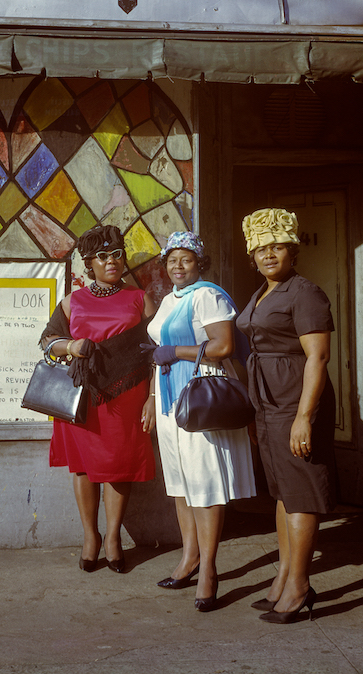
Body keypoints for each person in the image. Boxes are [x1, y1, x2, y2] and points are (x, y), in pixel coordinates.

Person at [143, 231, 256, 612]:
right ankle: (189, 557)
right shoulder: (168, 300)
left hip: (200, 398)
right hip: (168, 400)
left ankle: (209, 568)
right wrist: (150, 397)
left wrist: (175, 350)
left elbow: (222, 346)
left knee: (204, 485)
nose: (178, 265)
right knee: (180, 485)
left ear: (199, 264)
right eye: (172, 259)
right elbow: (156, 354)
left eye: (186, 259)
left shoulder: (208, 295)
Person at [236, 207, 337, 624]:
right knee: (280, 492)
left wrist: (304, 418)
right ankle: (283, 576)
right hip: (268, 403)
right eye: (261, 248)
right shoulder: (261, 293)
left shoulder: (304, 292)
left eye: (277, 246)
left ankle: (299, 586)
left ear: (292, 250)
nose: (268, 255)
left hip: (295, 401)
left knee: (300, 494)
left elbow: (319, 357)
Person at [41, 225, 156, 573]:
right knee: (83, 468)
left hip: (127, 397)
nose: (112, 262)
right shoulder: (71, 301)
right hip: (83, 396)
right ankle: (90, 536)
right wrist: (71, 345)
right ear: (90, 263)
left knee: (119, 468)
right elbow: (48, 341)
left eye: (117, 254)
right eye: (103, 256)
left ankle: (113, 539)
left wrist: (152, 396)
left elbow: (154, 351)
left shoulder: (140, 299)